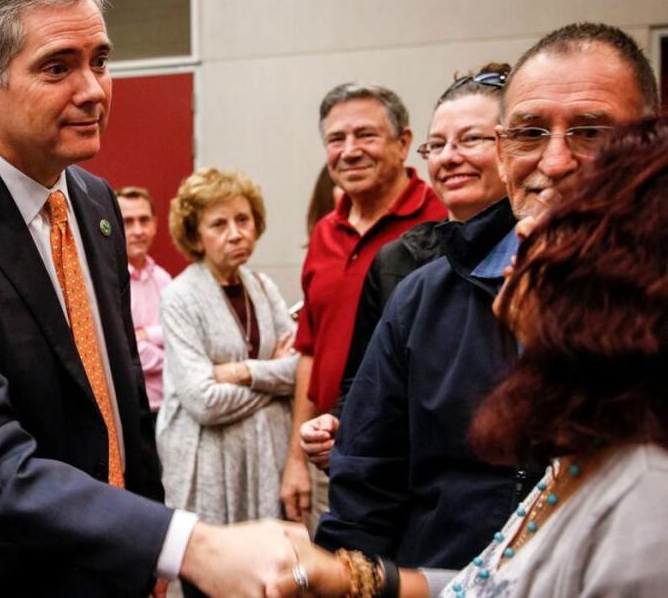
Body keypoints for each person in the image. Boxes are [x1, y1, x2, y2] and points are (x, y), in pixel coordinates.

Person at [0, 0, 290, 598]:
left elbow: (118, 400)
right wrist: (182, 543)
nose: (93, 89)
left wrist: (148, 554)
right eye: (58, 66)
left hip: (101, 563)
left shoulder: (93, 201)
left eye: (101, 60)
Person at [270, 117, 668, 598]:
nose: (521, 237)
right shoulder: (585, 454)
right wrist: (350, 575)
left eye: (561, 227)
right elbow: (498, 585)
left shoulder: (646, 497)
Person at [314, 22, 660, 569]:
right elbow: (364, 499)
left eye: (591, 132)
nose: (555, 162)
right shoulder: (422, 301)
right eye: (529, 133)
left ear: (648, 145)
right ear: (503, 152)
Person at [302, 63, 511, 466]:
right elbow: (358, 376)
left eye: (471, 139)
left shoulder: (540, 252)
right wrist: (337, 426)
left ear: (402, 144)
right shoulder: (393, 255)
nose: (350, 150)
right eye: (439, 145)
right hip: (387, 466)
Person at [282, 83, 447, 526]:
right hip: (330, 459)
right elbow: (310, 352)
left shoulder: (442, 223)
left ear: (404, 143)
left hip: (411, 466)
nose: (350, 151)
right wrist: (297, 459)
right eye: (337, 139)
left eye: (366, 135)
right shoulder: (325, 234)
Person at [155, 168, 298, 550]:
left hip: (265, 457)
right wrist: (273, 382)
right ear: (195, 236)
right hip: (210, 463)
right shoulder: (180, 296)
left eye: (243, 220)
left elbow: (300, 371)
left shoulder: (263, 287)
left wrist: (240, 372)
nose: (235, 233)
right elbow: (204, 401)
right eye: (218, 224)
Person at [117, 186, 172, 414]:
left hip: (171, 408)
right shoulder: (109, 283)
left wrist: (147, 334)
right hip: (134, 411)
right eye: (128, 222)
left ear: (155, 224)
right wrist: (177, 361)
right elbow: (126, 349)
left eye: (144, 220)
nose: (138, 230)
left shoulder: (164, 279)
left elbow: (182, 334)